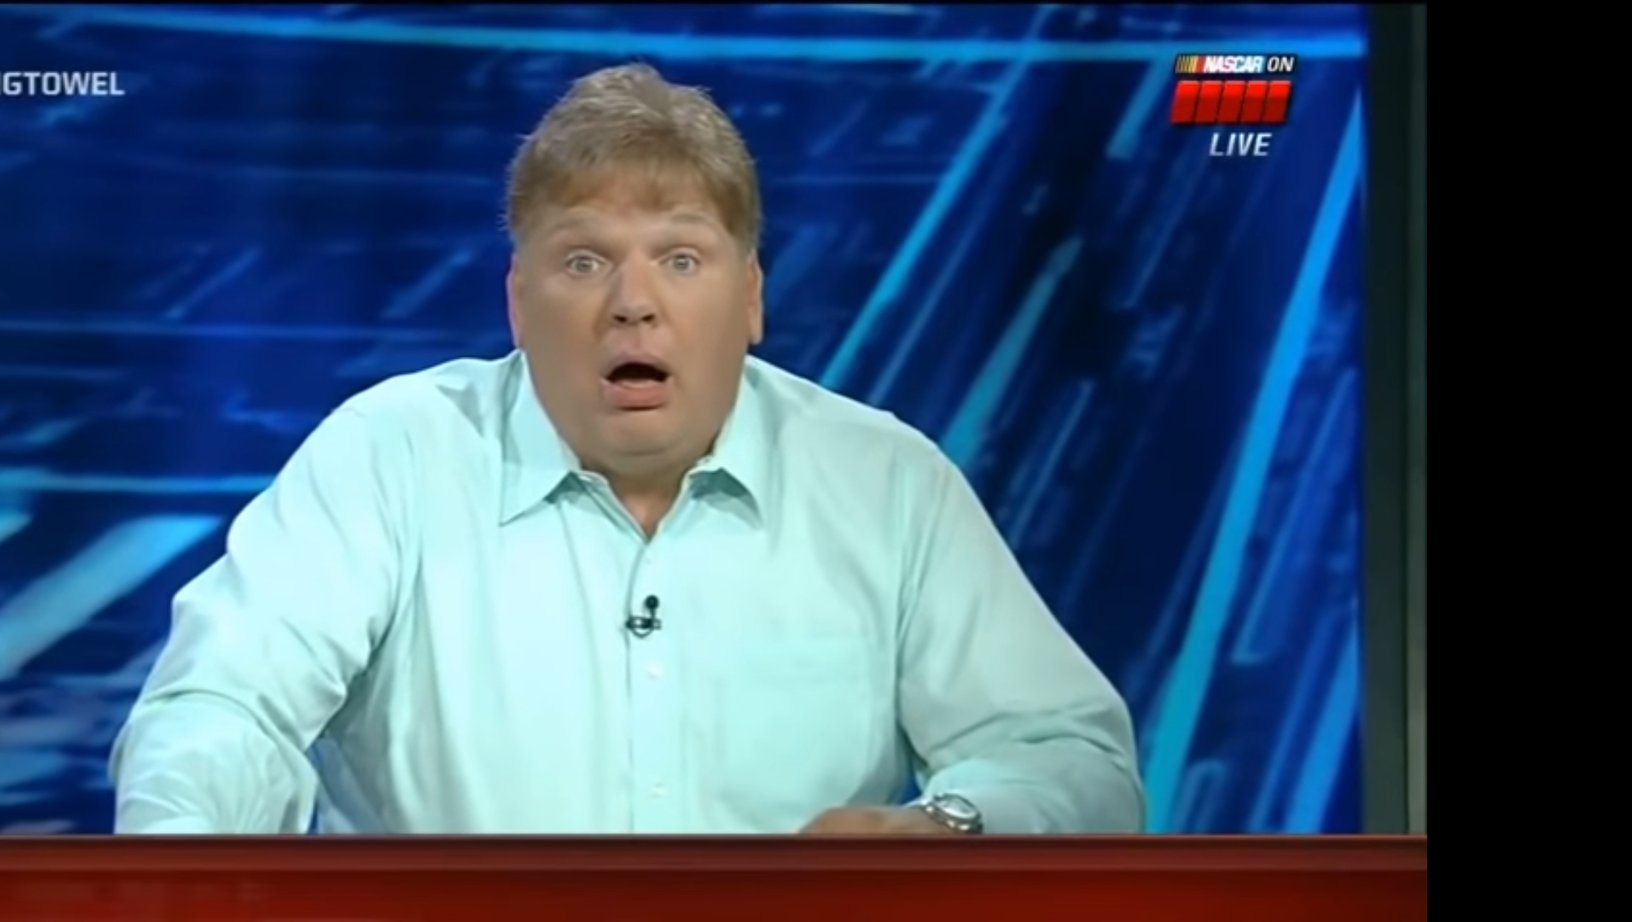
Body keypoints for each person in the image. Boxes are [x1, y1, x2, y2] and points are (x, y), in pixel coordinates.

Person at [110, 63, 1145, 835]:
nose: (632, 304)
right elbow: (223, 706)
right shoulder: (392, 456)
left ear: (751, 299)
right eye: (583, 261)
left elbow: (1071, 757)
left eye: (680, 258)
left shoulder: (883, 481)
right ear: (518, 304)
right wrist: (179, 864)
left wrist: (947, 828)